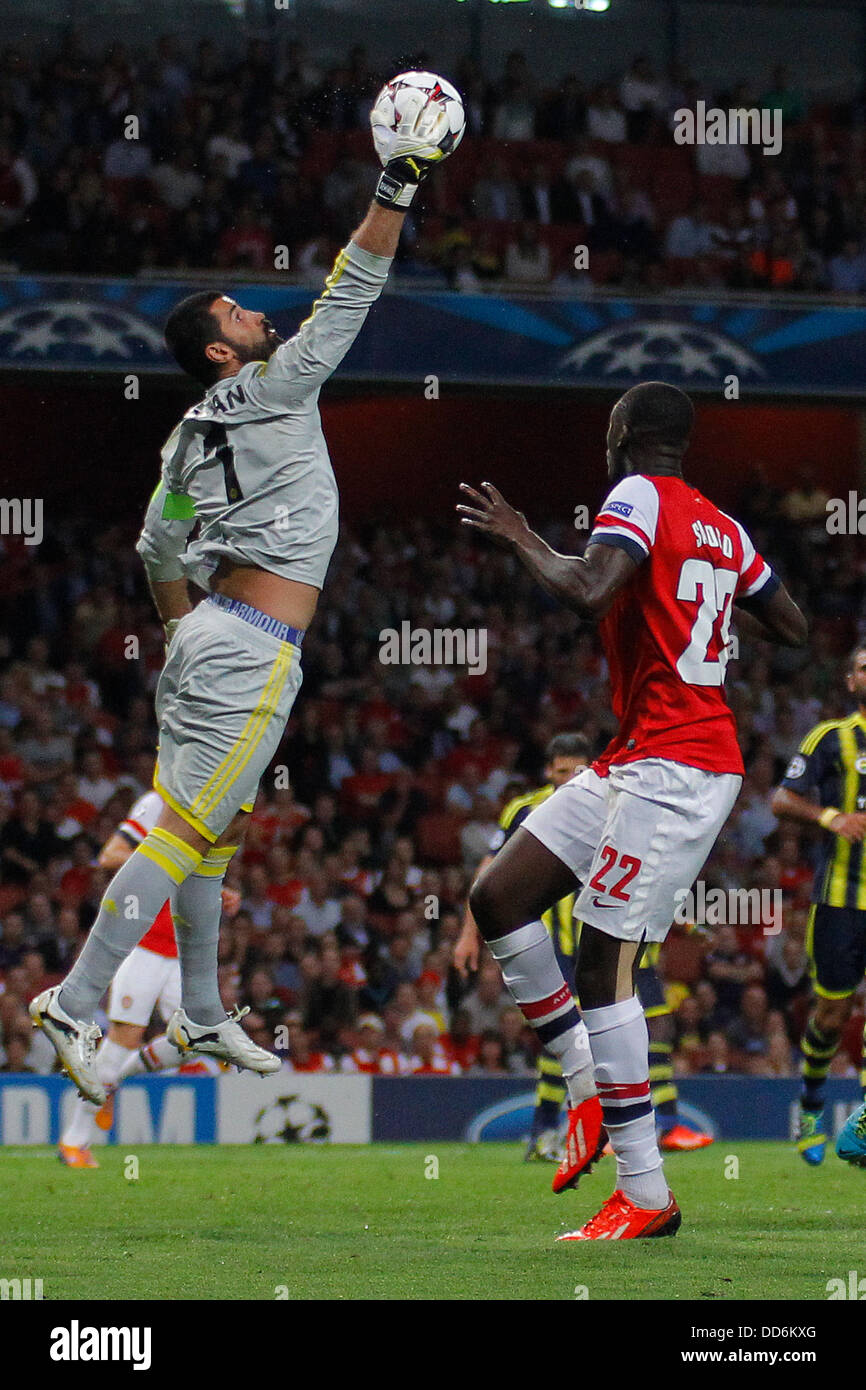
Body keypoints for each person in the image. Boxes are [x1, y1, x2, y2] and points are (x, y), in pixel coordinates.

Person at [30, 88, 461, 1104]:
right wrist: (396, 183)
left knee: (216, 831)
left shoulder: (183, 434)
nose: (254, 310)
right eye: (235, 311)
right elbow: (350, 289)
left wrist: (183, 628)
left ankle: (207, 1012)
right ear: (222, 352)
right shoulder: (273, 386)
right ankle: (76, 999)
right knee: (185, 830)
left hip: (213, 636)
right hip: (251, 640)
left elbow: (155, 539)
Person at [456, 380, 806, 1240]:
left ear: (622, 433)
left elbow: (587, 590)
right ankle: (582, 1083)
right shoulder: (725, 527)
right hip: (639, 754)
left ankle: (646, 1195)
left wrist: (520, 536)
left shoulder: (633, 493)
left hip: (680, 765)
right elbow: (792, 626)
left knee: (602, 963)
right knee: (499, 896)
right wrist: (715, 612)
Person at [57, 788, 240, 1168]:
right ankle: (74, 1141)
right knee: (125, 1037)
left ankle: (113, 1083)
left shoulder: (211, 809)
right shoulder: (159, 803)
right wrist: (168, 865)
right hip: (141, 945)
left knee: (198, 1038)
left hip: (183, 952)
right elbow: (110, 855)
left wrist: (218, 892)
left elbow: (193, 877)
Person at [772, 645, 866, 1165]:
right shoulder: (831, 738)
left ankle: (860, 1130)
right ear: (851, 682)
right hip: (841, 903)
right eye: (863, 665)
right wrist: (831, 817)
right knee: (831, 1013)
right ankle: (810, 1110)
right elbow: (781, 800)